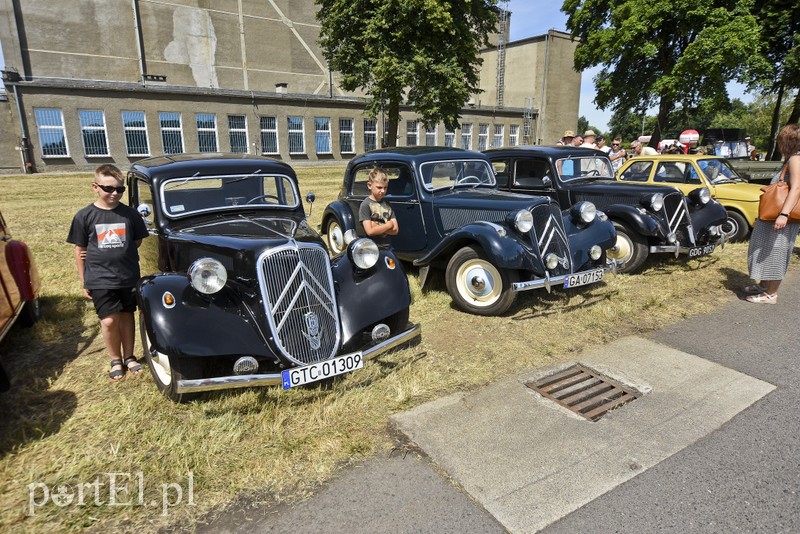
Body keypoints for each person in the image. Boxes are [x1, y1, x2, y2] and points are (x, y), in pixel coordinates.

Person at [67, 164, 149, 381]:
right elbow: (80, 250)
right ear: (95, 187)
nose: (114, 193)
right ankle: (115, 358)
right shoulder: (84, 216)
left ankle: (130, 356)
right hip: (100, 279)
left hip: (128, 276)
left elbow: (137, 241)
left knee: (126, 315)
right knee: (109, 321)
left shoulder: (130, 215)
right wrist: (84, 280)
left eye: (119, 190)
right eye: (108, 189)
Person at [743, 123, 800, 303]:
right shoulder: (793, 158)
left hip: (783, 216)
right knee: (767, 248)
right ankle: (763, 285)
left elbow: (796, 187)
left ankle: (770, 294)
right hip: (778, 214)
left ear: (788, 141)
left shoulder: (795, 159)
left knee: (777, 251)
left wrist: (783, 214)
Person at [359, 166, 398, 247]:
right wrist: (388, 225)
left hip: (387, 245)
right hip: (371, 246)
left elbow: (395, 230)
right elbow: (370, 231)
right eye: (379, 187)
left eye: (385, 187)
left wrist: (376, 226)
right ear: (369, 185)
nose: (383, 191)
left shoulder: (388, 205)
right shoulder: (365, 205)